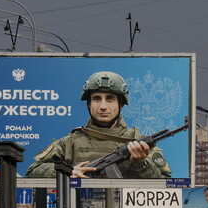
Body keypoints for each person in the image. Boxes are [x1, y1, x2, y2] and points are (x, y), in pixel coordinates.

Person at [25, 71, 172, 179]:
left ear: (120, 104)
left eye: (109, 99)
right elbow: (33, 171)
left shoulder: (138, 142)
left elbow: (166, 182)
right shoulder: (70, 142)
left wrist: (140, 164)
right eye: (96, 99)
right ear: (89, 104)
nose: (102, 106)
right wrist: (68, 172)